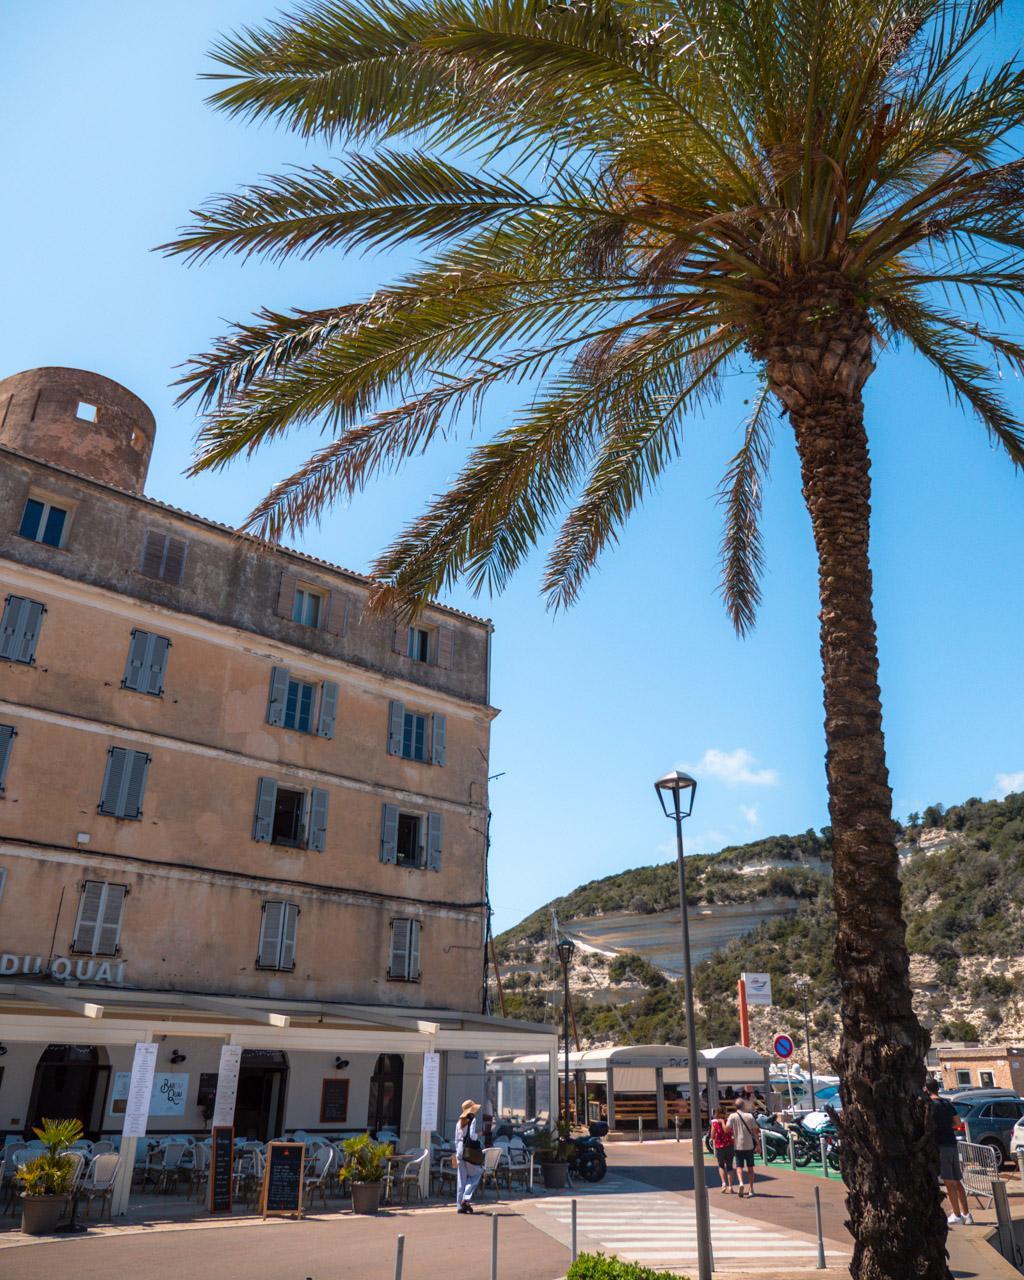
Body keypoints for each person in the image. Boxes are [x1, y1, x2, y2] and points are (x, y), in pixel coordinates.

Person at [926, 1078, 974, 1226]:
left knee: (949, 1182)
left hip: (941, 1145)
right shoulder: (947, 1103)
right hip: (952, 1143)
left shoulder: (930, 1105)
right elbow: (958, 1123)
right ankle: (967, 1214)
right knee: (957, 1180)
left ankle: (957, 1215)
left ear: (926, 1090)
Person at [454, 1098, 485, 1213]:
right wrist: (479, 1134)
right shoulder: (472, 1119)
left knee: (461, 1180)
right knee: (477, 1173)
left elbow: (456, 1140)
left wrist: (458, 1152)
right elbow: (472, 1136)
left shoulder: (459, 1122)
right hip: (469, 1151)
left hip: (460, 1151)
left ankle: (459, 1206)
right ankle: (466, 1199)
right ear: (472, 1109)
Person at [727, 1099, 760, 1197]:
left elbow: (727, 1129)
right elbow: (755, 1132)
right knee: (750, 1168)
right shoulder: (749, 1116)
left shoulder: (732, 1116)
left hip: (738, 1145)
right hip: (749, 1145)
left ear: (735, 1106)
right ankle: (751, 1189)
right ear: (743, 1106)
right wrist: (758, 1144)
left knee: (739, 1167)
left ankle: (741, 1183)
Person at [710, 1108, 736, 1194]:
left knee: (721, 1165)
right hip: (729, 1146)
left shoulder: (715, 1123)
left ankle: (723, 1183)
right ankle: (731, 1186)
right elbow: (732, 1133)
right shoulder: (729, 1121)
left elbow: (712, 1136)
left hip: (719, 1147)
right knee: (729, 1166)